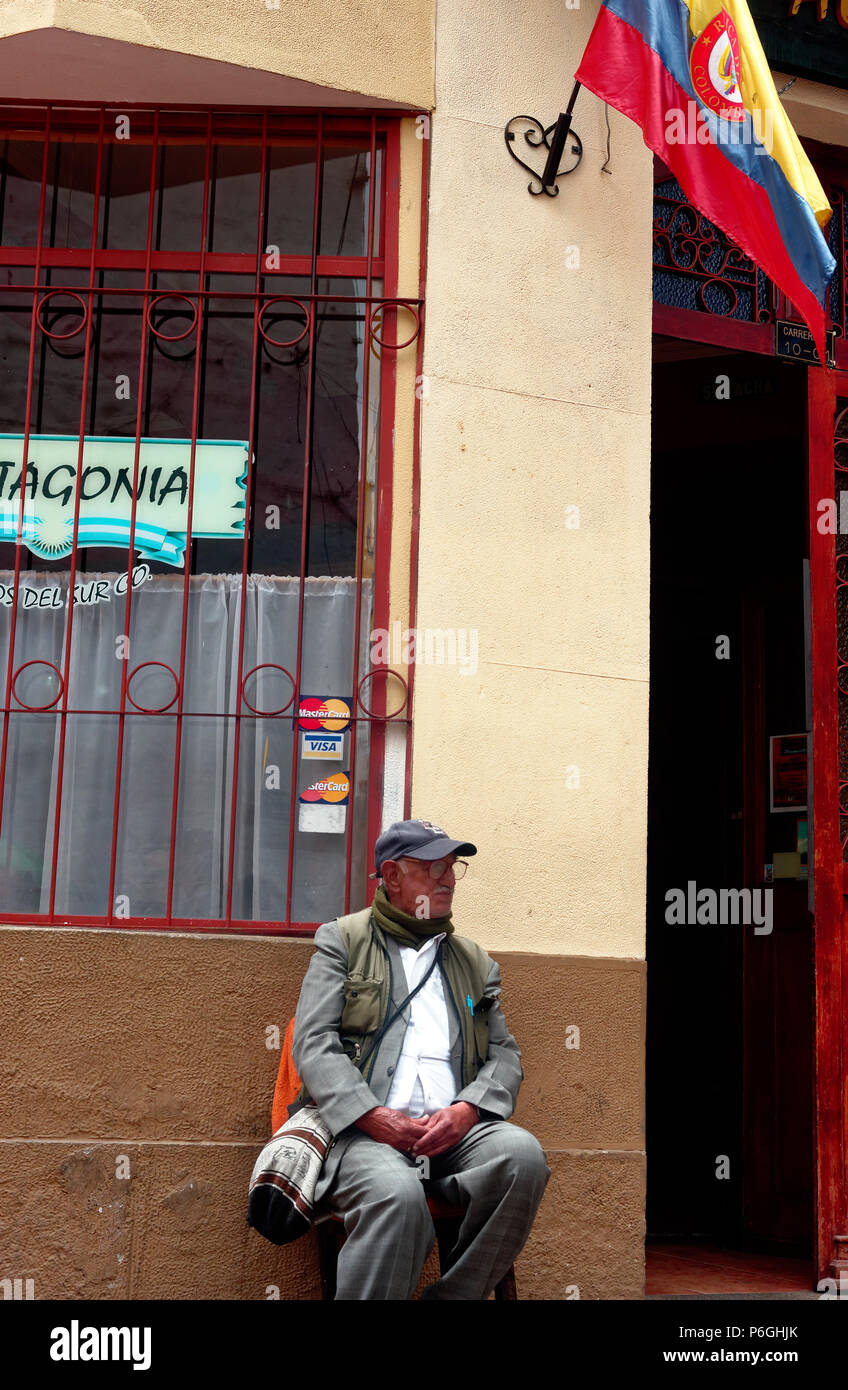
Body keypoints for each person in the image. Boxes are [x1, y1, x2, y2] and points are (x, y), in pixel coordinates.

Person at [291, 817, 550, 1300]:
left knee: (523, 1158)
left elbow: (505, 1054)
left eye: (453, 867)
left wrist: (467, 1111)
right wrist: (374, 1117)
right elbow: (313, 1042)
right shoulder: (342, 941)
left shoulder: (475, 962)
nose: (448, 879)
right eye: (434, 867)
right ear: (392, 876)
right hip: (362, 1135)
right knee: (397, 1193)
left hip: (453, 1138)